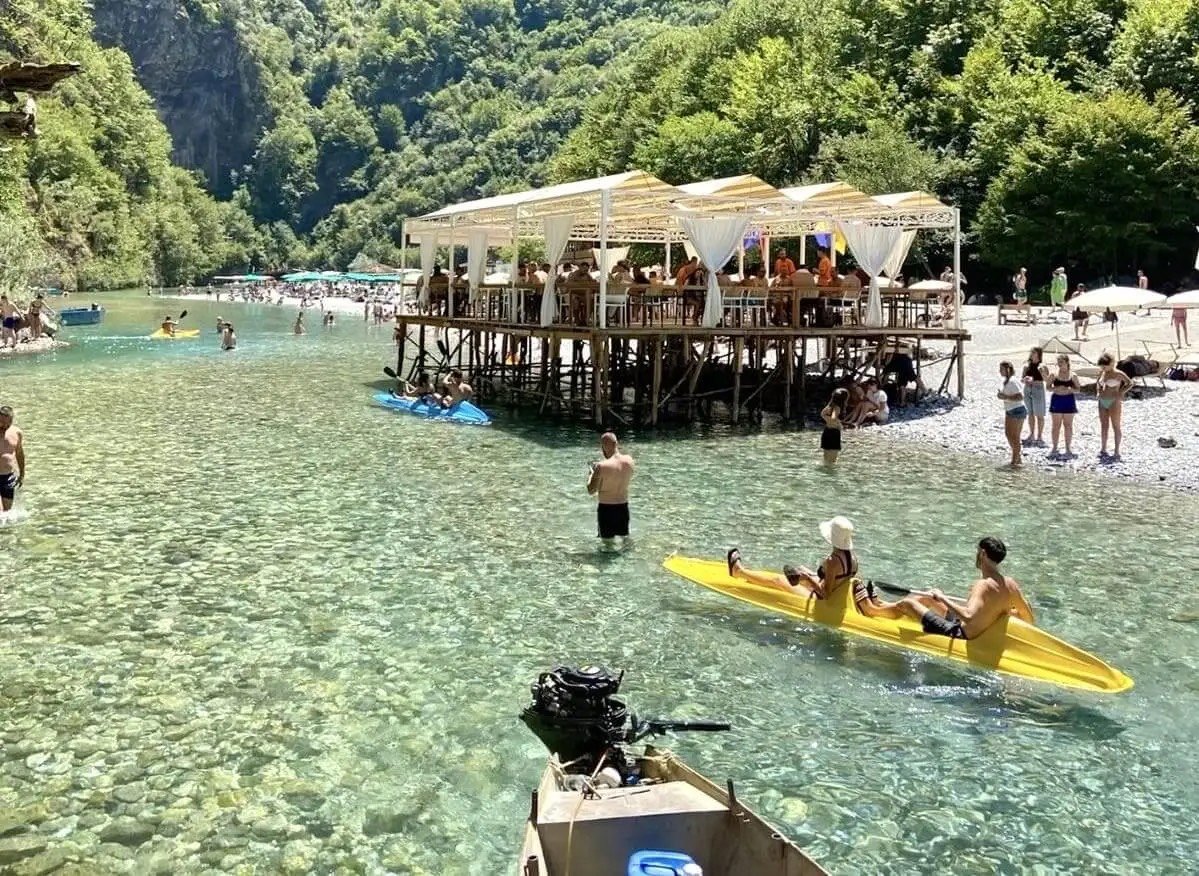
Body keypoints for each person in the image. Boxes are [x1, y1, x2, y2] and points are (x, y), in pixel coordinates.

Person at [860, 538, 1035, 640]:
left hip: (960, 633)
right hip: (968, 626)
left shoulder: (982, 585)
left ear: (982, 554)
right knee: (928, 596)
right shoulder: (1011, 584)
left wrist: (943, 598)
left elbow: (968, 615)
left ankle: (871, 610)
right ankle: (881, 605)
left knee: (908, 603)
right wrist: (1001, 613)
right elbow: (1027, 617)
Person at [726, 516, 859, 600]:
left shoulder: (833, 561)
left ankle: (738, 571)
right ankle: (756, 577)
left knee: (777, 580)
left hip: (819, 598)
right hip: (833, 593)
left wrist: (808, 579)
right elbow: (839, 581)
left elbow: (826, 594)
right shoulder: (853, 558)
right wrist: (811, 575)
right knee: (800, 569)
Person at [586, 432, 634, 549]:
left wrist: (591, 474)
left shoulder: (601, 466)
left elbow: (591, 490)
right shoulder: (629, 460)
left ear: (603, 446)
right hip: (623, 508)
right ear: (616, 444)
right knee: (625, 541)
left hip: (606, 510)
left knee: (608, 547)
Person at [1095, 352, 1131, 459]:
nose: (1103, 367)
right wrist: (1098, 392)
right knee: (1104, 425)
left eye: (1105, 365)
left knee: (1116, 426)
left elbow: (1130, 383)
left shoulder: (1118, 374)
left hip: (1114, 401)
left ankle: (1116, 451)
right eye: (1102, 365)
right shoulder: (1102, 372)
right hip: (1102, 401)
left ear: (1112, 363)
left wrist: (1121, 392)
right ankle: (1103, 448)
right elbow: (1098, 383)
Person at [1048, 354, 1080, 458]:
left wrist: (1070, 390)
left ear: (1067, 362)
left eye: (1061, 362)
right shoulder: (1053, 374)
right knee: (1056, 425)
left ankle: (1068, 447)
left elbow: (1078, 389)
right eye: (1058, 362)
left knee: (1068, 425)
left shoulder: (1073, 375)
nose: (1059, 364)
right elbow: (1047, 387)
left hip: (1068, 400)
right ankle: (1055, 447)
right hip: (1057, 399)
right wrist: (1055, 389)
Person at [998, 360, 1026, 468]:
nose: (1000, 371)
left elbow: (1020, 396)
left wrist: (1005, 397)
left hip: (1017, 409)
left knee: (1014, 437)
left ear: (1008, 370)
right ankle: (1017, 457)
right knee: (1009, 434)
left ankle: (1015, 461)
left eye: (1001, 369)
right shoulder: (1007, 381)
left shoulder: (1013, 381)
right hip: (1010, 409)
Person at [0, 405, 25, 514]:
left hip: (8, 476)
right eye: (1, 423)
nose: (4, 426)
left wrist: (22, 474)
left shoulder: (17, 433)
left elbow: (19, 454)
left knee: (7, 514)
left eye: (7, 423)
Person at [1021, 347, 1048, 445]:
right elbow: (1022, 378)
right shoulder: (1027, 365)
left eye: (1034, 352)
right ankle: (1031, 434)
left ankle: (1040, 436)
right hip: (1028, 389)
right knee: (1030, 413)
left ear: (1038, 354)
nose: (1032, 354)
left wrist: (1041, 372)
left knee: (1039, 414)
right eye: (1031, 352)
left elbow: (1046, 379)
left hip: (1038, 388)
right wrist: (1025, 379)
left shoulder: (1042, 365)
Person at [819, 388, 848, 466]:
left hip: (826, 432)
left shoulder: (830, 406)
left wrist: (828, 419)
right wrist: (838, 423)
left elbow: (822, 414)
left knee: (825, 460)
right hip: (834, 433)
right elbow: (833, 418)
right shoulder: (837, 408)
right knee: (832, 461)